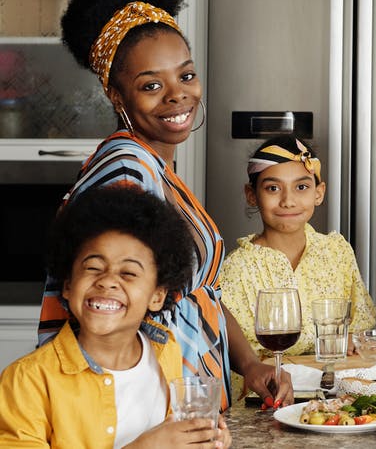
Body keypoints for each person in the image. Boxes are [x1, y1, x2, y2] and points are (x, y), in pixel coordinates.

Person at [39, 0, 292, 409]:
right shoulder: (126, 172)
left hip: (191, 405)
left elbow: (198, 294)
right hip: (148, 413)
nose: (177, 96)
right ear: (117, 96)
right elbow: (107, 309)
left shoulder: (156, 167)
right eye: (151, 85)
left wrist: (250, 365)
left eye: (187, 76)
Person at [0, 185, 232, 448]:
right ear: (68, 284)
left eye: (128, 273)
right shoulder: (26, 380)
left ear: (157, 296)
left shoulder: (164, 348)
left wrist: (200, 438)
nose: (107, 281)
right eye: (93, 267)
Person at [221, 137, 376, 361]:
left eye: (301, 187)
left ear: (319, 193)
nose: (288, 200)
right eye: (273, 188)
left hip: (334, 385)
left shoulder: (336, 252)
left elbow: (360, 322)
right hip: (270, 392)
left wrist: (353, 337)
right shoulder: (238, 269)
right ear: (252, 195)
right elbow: (240, 354)